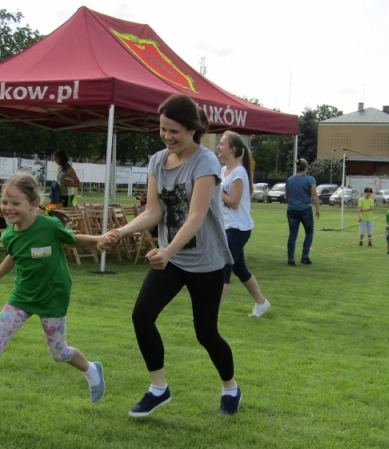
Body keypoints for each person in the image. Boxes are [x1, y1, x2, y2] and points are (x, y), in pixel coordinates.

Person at [103, 94, 240, 417]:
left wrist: (166, 250)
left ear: (193, 129)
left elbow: (196, 215)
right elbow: (153, 211)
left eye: (174, 131)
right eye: (163, 129)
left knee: (206, 333)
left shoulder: (205, 163)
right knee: (142, 316)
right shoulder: (157, 161)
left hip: (207, 261)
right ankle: (158, 388)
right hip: (173, 260)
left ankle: (230, 388)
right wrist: (120, 232)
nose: (167, 136)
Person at [0, 172, 106, 420]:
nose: (8, 208)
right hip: (22, 297)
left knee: (59, 353)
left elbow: (72, 240)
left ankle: (92, 369)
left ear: (33, 203)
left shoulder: (49, 226)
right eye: (5, 202)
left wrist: (98, 239)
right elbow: (13, 256)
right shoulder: (8, 234)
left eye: (15, 203)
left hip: (53, 296)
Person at [217, 130, 270, 318]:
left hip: (238, 228)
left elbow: (233, 202)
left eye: (222, 143)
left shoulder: (239, 173)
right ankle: (262, 303)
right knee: (240, 268)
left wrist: (216, 190)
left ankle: (209, 312)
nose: (218, 146)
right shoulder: (223, 171)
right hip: (227, 226)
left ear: (232, 149)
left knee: (224, 266)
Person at [285, 158, 321, 265]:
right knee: (309, 232)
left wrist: (291, 203)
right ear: (306, 168)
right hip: (305, 209)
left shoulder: (290, 179)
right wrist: (318, 208)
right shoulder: (310, 180)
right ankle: (305, 256)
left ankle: (291, 258)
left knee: (292, 235)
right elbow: (314, 195)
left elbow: (287, 194)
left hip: (292, 209)